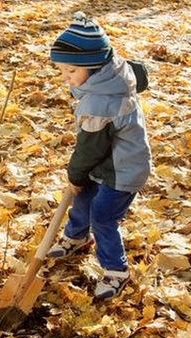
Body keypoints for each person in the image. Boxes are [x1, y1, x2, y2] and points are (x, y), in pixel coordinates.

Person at [46, 12, 152, 300]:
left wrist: (74, 175)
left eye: (70, 72)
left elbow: (89, 149)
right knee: (83, 198)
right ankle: (77, 237)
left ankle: (116, 270)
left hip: (123, 169)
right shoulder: (110, 74)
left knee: (103, 216)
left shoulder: (101, 102)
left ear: (92, 66)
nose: (65, 78)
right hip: (108, 160)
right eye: (62, 71)